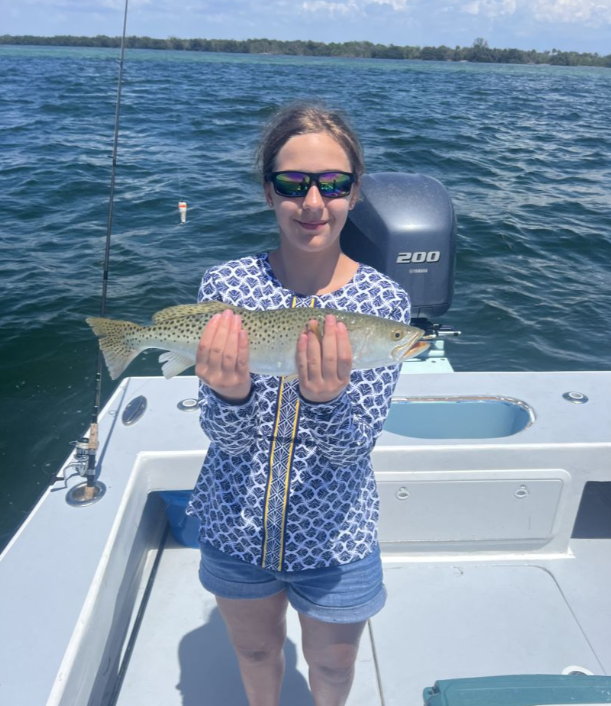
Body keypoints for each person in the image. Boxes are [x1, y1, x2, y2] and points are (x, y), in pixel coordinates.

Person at [187, 102, 411, 706]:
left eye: (333, 184)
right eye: (293, 184)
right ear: (269, 193)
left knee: (333, 670)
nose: (313, 203)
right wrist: (229, 393)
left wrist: (325, 401)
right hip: (235, 522)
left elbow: (352, 448)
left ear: (354, 192)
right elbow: (223, 437)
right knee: (256, 653)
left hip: (335, 535)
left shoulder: (384, 304)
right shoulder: (225, 286)